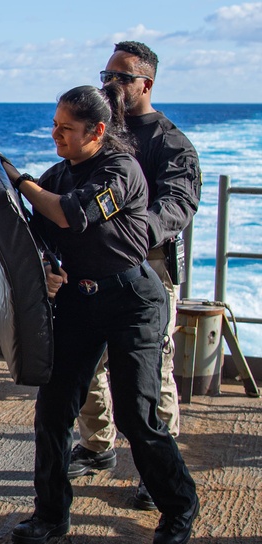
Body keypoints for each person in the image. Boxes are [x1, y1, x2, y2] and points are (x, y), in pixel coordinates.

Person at [1, 83, 199, 544]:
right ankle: (50, 514)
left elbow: (71, 215)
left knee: (137, 412)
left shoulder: (120, 169)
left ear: (98, 130)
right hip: (79, 303)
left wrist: (22, 181)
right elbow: (41, 233)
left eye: (66, 129)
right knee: (53, 410)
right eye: (54, 126)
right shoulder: (59, 172)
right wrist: (48, 268)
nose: (56, 135)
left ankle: (179, 506)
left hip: (133, 301)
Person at [68, 41, 202, 514]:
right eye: (106, 74)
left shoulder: (171, 143)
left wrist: (131, 238)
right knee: (87, 364)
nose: (110, 84)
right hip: (95, 269)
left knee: (151, 370)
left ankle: (156, 470)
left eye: (122, 77)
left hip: (151, 269)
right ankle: (97, 445)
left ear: (146, 84)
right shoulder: (100, 133)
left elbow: (178, 206)